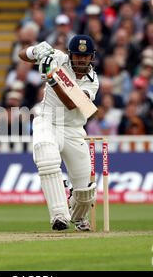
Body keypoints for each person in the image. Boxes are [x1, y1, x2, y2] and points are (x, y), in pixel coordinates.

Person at [18, 35, 99, 231]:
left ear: (91, 57)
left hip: (73, 130)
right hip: (48, 121)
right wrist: (36, 51)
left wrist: (52, 80)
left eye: (85, 56)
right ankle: (59, 216)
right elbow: (22, 55)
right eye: (78, 56)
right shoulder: (58, 58)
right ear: (70, 55)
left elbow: (73, 104)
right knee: (46, 159)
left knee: (85, 192)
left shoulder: (92, 81)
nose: (81, 60)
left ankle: (78, 218)